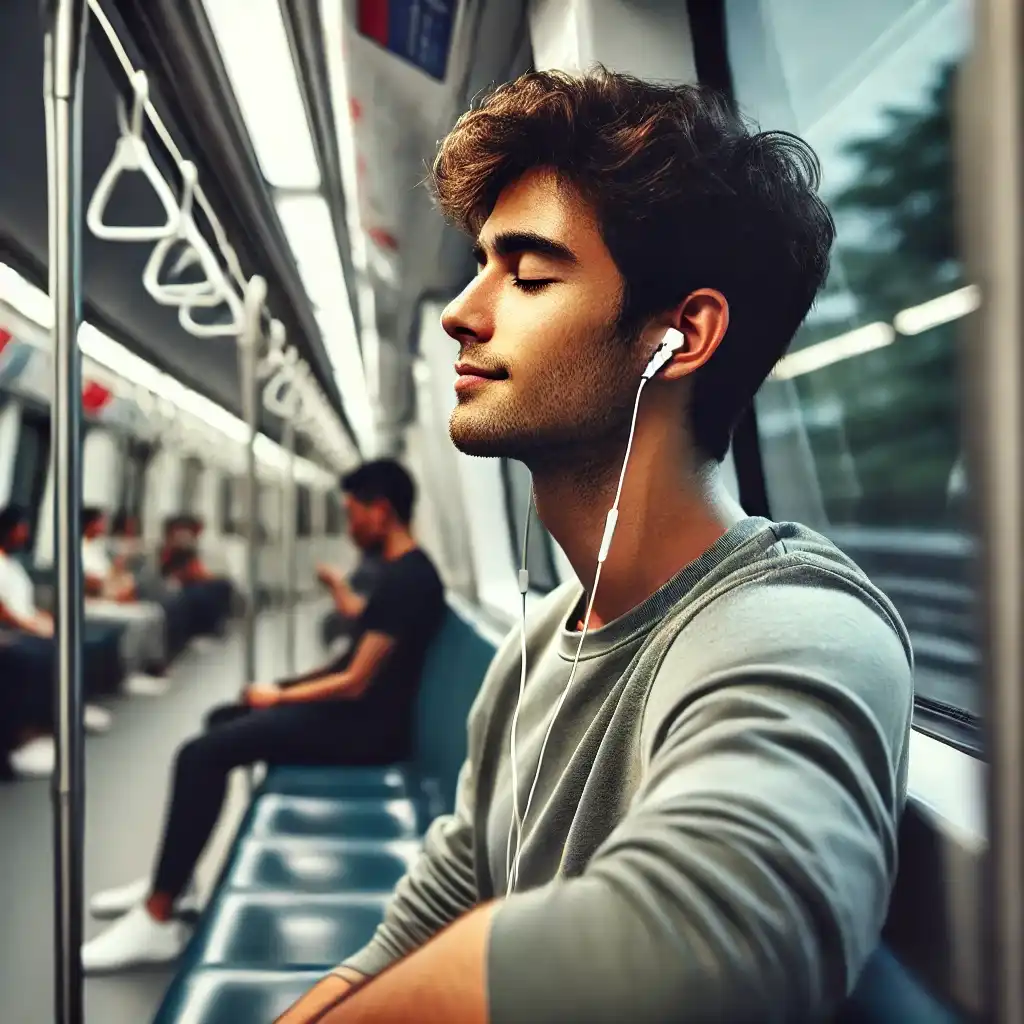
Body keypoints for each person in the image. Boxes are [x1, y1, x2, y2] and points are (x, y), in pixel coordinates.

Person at [277, 69, 914, 1024]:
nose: (462, 310)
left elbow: (713, 949)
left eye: (529, 273)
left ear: (681, 336)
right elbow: (448, 894)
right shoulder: (536, 644)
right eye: (480, 264)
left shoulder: (795, 622)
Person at [81, 459, 446, 972]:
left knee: (199, 755)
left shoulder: (410, 579)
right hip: (360, 715)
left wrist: (280, 697)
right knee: (220, 719)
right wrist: (281, 687)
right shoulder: (402, 573)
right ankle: (177, 879)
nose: (349, 525)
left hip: (368, 731)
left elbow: (355, 679)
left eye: (353, 513)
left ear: (381, 512)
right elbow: (360, 644)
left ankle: (157, 918)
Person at [0, 506, 120, 773]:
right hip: (10, 629)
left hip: (25, 624)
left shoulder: (12, 563)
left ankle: (69, 713)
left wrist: (45, 621)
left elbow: (24, 605)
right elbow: (5, 611)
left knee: (73, 646)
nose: (24, 534)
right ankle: (29, 734)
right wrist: (33, 626)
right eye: (21, 529)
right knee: (40, 657)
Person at [80, 507, 174, 696]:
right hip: (90, 604)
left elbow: (111, 577)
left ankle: (151, 666)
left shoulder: (96, 547)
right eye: (100, 522)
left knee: (154, 612)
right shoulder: (79, 549)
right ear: (90, 524)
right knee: (137, 621)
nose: (103, 526)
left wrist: (117, 580)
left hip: (108, 598)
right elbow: (93, 583)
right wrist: (115, 584)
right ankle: (127, 675)